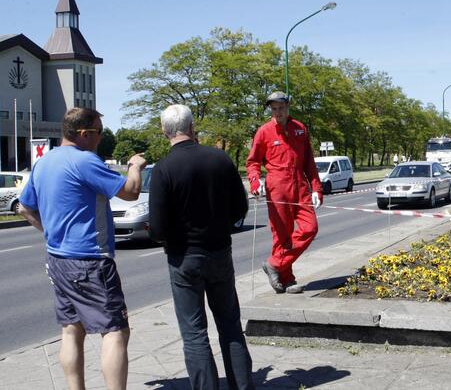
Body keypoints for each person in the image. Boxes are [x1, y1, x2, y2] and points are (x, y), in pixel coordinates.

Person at [17, 107, 146, 390]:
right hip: (90, 261)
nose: (101, 138)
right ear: (85, 134)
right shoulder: (86, 161)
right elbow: (131, 191)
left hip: (58, 259)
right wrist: (135, 166)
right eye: (99, 132)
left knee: (71, 329)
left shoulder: (44, 162)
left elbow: (25, 207)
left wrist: (50, 232)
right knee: (115, 331)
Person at [148, 104, 254, 389]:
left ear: (164, 131)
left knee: (195, 334)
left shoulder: (163, 169)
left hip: (183, 258)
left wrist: (171, 235)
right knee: (230, 326)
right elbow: (240, 207)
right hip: (220, 251)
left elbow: (157, 228)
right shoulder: (220, 159)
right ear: (192, 127)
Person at [246, 91, 323, 294]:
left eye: (281, 108)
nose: (277, 112)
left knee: (310, 228)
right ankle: (286, 280)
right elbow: (253, 162)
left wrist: (316, 187)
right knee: (282, 236)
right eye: (274, 109)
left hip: (300, 185)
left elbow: (309, 163)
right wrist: (255, 182)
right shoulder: (264, 132)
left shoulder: (300, 129)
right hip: (277, 187)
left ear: (288, 108)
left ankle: (274, 264)